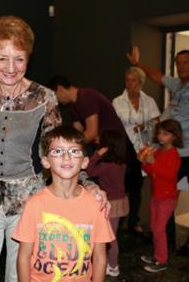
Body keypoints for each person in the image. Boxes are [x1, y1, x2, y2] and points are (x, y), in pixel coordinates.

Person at [0, 15, 107, 282]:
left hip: (28, 203)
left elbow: (58, 149)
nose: (11, 67)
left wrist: (87, 183)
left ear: (28, 58)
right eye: (2, 58)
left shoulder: (44, 97)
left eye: (19, 58)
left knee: (21, 277)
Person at [127, 46, 189, 256]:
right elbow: (157, 76)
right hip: (178, 150)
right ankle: (165, 238)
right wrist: (137, 64)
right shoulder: (177, 85)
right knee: (163, 187)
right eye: (178, 63)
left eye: (186, 62)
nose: (181, 66)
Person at [13, 126, 115, 282]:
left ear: (85, 162)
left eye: (74, 151)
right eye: (58, 151)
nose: (66, 157)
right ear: (46, 161)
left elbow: (100, 258)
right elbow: (23, 257)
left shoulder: (96, 205)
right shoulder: (34, 204)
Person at [48, 75, 144, 235]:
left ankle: (130, 226)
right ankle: (111, 225)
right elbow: (77, 134)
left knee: (130, 187)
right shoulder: (74, 105)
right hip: (106, 149)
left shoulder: (86, 97)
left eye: (54, 95)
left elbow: (91, 132)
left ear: (59, 89)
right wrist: (71, 147)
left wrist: (67, 150)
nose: (55, 101)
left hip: (118, 148)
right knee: (109, 186)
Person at [138, 119, 183, 273]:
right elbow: (152, 172)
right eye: (159, 133)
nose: (160, 136)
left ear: (174, 136)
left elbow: (170, 175)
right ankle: (157, 255)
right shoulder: (158, 151)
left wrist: (153, 163)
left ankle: (162, 260)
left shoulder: (173, 154)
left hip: (167, 197)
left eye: (165, 134)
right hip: (156, 195)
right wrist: (144, 162)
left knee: (158, 229)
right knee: (154, 227)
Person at [86, 129, 129, 277]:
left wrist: (97, 154)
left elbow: (89, 171)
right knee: (112, 235)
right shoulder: (120, 162)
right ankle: (112, 264)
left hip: (113, 203)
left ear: (108, 146)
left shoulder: (108, 165)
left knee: (110, 237)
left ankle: (113, 266)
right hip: (119, 201)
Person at [112, 67, 160, 153]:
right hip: (125, 147)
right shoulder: (117, 102)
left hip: (147, 148)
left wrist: (144, 126)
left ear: (141, 83)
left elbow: (157, 124)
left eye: (133, 80)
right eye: (127, 80)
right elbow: (113, 125)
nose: (129, 84)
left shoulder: (149, 101)